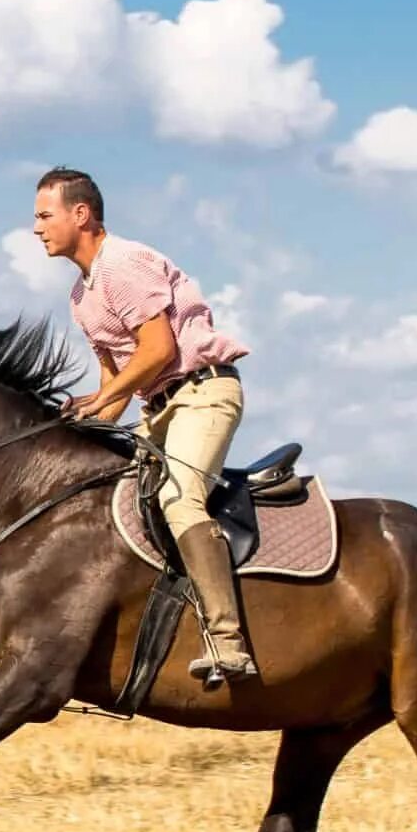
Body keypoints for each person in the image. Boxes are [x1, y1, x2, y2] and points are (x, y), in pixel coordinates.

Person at [31, 167, 257, 686]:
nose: (38, 228)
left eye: (45, 216)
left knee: (181, 499)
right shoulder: (81, 296)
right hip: (157, 407)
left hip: (202, 394)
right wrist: (80, 420)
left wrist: (106, 396)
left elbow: (159, 350)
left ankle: (227, 641)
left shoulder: (123, 264)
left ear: (80, 214)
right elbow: (114, 380)